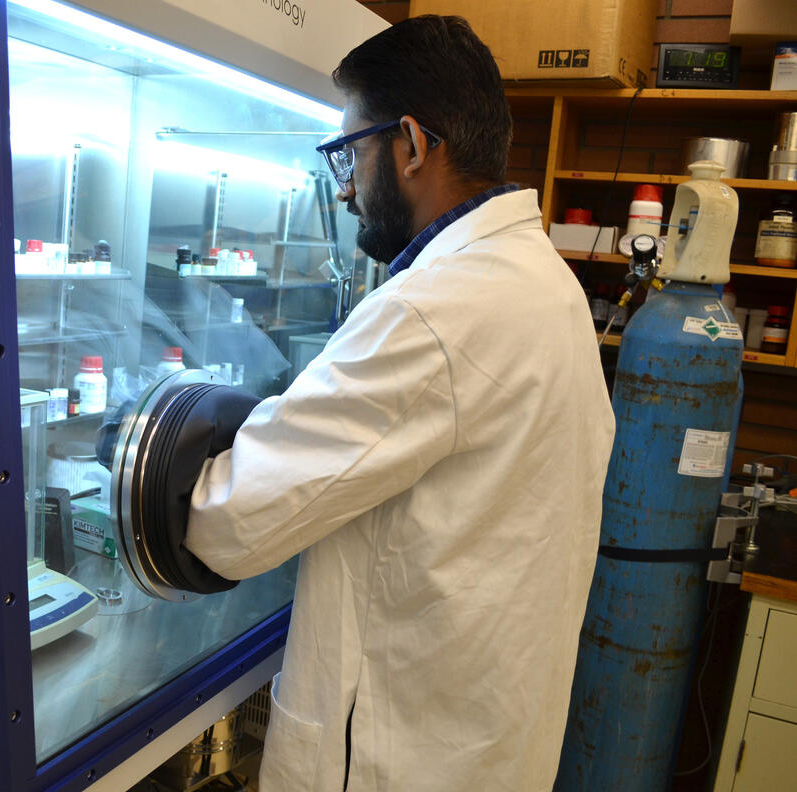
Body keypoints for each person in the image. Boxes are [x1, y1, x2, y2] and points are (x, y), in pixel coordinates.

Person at [181, 15, 616, 792]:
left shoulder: (432, 311)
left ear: (412, 145)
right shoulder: (545, 282)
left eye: (350, 154)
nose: (344, 188)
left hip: (399, 754)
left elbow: (226, 524)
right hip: (481, 735)